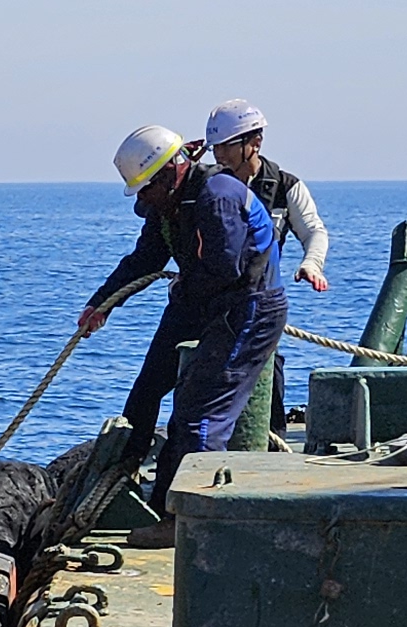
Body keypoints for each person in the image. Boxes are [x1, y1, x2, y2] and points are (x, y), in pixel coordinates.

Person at [74, 102, 325, 511]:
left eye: (148, 189)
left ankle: (186, 516)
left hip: (248, 307)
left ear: (172, 172)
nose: (144, 200)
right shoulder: (167, 205)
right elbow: (145, 259)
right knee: (147, 390)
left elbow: (225, 269)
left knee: (198, 415)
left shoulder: (217, 195)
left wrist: (185, 290)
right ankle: (124, 479)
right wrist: (101, 304)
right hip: (200, 299)